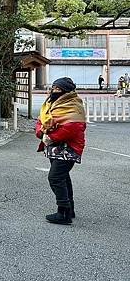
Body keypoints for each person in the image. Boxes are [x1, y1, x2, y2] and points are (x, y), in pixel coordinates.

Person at [36, 77, 86, 225]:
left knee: (55, 178)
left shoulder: (74, 105)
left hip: (69, 149)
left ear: (67, 91)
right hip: (54, 148)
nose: (54, 91)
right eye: (53, 88)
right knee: (63, 177)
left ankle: (63, 212)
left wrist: (50, 137)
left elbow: (73, 128)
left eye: (58, 89)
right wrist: (41, 133)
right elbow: (41, 120)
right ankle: (69, 209)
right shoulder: (50, 103)